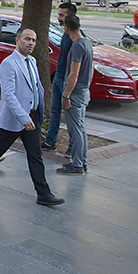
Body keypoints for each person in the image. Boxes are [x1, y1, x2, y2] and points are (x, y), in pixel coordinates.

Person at [0, 27, 65, 207]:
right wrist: (23, 117)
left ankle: (43, 194)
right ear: (17, 40)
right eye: (27, 39)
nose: (30, 43)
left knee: (35, 155)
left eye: (33, 40)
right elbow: (9, 94)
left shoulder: (32, 61)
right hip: (16, 118)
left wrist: (39, 112)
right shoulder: (9, 64)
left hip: (32, 116)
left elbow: (37, 87)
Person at [58, 15, 94, 175]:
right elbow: (91, 70)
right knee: (80, 128)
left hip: (75, 94)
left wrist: (66, 95)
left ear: (66, 28)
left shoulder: (77, 46)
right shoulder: (86, 43)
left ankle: (78, 164)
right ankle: (81, 162)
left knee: (76, 130)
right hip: (83, 91)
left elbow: (74, 74)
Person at [42, 2, 77, 151]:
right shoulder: (64, 33)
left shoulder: (75, 38)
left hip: (66, 78)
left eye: (62, 15)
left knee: (69, 115)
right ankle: (50, 141)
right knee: (55, 111)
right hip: (59, 75)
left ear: (70, 17)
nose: (59, 17)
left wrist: (68, 90)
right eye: (59, 14)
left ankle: (72, 146)